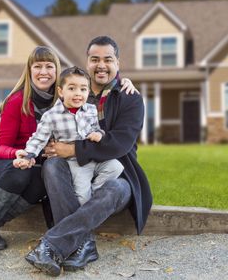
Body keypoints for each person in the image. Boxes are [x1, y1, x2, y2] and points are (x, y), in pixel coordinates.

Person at [0, 45, 136, 260]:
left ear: (57, 74)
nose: (43, 72)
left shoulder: (66, 99)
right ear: (29, 70)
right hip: (0, 166)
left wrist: (123, 81)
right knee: (23, 171)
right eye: (37, 66)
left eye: (49, 66)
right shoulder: (17, 102)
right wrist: (20, 154)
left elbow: (94, 82)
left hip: (35, 167)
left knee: (43, 178)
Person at [25, 36, 153, 276]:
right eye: (95, 59)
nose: (101, 65)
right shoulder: (74, 89)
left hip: (116, 173)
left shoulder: (129, 97)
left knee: (116, 189)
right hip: (73, 172)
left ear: (118, 62)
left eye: (108, 59)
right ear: (87, 62)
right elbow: (39, 87)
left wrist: (73, 148)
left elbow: (120, 145)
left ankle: (52, 244)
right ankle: (84, 245)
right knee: (52, 166)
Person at [17, 66, 123, 206]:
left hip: (94, 157)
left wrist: (99, 134)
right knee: (82, 199)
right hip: (76, 163)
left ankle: (96, 192)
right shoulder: (51, 116)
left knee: (116, 166)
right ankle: (86, 203)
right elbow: (38, 138)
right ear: (61, 91)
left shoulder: (91, 110)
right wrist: (28, 156)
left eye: (83, 89)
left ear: (88, 91)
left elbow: (96, 128)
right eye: (72, 88)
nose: (78, 93)